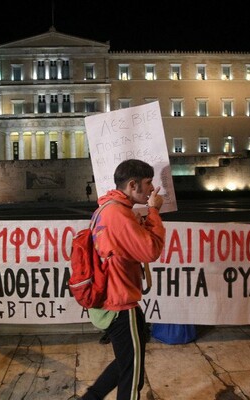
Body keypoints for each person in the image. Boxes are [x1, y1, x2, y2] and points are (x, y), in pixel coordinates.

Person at [81, 159, 165, 400]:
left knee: (125, 361)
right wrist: (154, 212)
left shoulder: (108, 208)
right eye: (148, 183)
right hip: (120, 303)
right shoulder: (118, 214)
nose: (151, 188)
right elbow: (150, 250)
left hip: (116, 298)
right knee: (132, 374)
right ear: (132, 184)